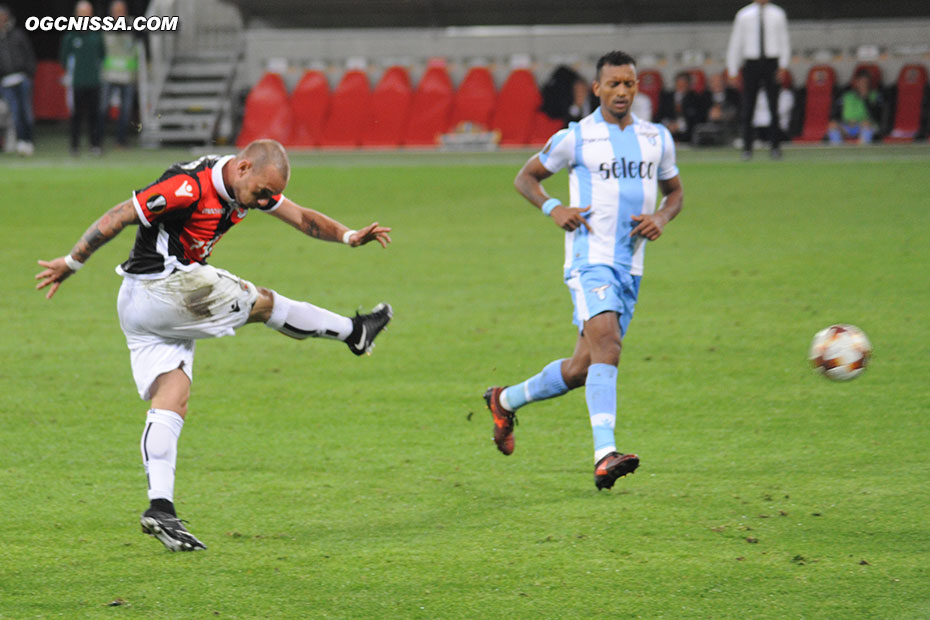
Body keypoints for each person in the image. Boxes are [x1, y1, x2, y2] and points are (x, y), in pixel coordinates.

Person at [35, 139, 394, 551]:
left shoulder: (250, 187)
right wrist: (72, 261)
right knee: (266, 304)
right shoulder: (188, 186)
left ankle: (160, 508)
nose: (265, 201)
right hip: (166, 288)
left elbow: (301, 218)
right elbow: (119, 215)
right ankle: (354, 332)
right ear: (243, 168)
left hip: (140, 305)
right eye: (262, 192)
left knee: (173, 396)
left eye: (270, 195)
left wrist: (348, 236)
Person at [483, 51, 684, 491]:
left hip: (631, 266)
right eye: (613, 84)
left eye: (629, 84)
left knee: (581, 368)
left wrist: (663, 219)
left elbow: (675, 193)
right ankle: (604, 455)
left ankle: (504, 399)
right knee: (608, 345)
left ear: (636, 88)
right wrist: (554, 208)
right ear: (597, 89)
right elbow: (526, 178)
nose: (621, 92)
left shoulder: (657, 138)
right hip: (589, 261)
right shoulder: (576, 138)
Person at [726, 0, 791, 160]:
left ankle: (775, 146)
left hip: (771, 62)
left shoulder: (778, 14)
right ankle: (747, 148)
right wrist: (733, 68)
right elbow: (736, 42)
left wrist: (783, 66)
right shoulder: (743, 15)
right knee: (748, 107)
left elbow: (784, 40)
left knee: (773, 107)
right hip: (751, 63)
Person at [60, 0, 105, 155]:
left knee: (95, 115)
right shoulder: (71, 36)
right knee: (76, 116)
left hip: (94, 81)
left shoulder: (96, 35)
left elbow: (102, 55)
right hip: (77, 82)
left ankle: (95, 145)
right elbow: (64, 58)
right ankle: (74, 146)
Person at [100, 0, 139, 148]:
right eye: (116, 10)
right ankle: (99, 140)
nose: (119, 13)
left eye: (121, 10)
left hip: (127, 75)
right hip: (109, 74)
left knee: (126, 111)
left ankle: (121, 141)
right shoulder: (105, 25)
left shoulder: (133, 25)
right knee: (103, 108)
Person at [0, 4, 36, 156]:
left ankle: (29, 141)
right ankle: (20, 141)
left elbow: (29, 54)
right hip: (6, 82)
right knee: (14, 114)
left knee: (26, 113)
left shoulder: (17, 34)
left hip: (22, 79)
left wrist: (29, 73)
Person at [827, 69, 883, 145]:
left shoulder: (874, 95)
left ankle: (861, 150)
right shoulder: (847, 95)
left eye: (865, 82)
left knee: (867, 126)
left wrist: (865, 99)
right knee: (832, 125)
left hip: (864, 125)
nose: (863, 85)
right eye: (861, 82)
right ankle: (838, 150)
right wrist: (845, 121)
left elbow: (876, 116)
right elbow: (835, 113)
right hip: (847, 125)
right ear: (856, 83)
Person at [692, 71, 741, 146]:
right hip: (709, 131)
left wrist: (723, 115)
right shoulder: (703, 97)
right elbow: (698, 115)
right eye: (714, 82)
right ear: (709, 84)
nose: (717, 84)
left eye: (719, 81)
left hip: (730, 130)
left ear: (724, 82)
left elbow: (739, 112)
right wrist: (710, 114)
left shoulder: (734, 94)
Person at [657, 71, 706, 143]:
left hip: (688, 137)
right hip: (667, 133)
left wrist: (679, 125)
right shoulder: (666, 97)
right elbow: (659, 115)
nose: (681, 85)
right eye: (679, 83)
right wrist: (668, 125)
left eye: (684, 83)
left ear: (689, 84)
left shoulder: (695, 98)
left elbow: (698, 118)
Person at [751, 70, 794, 147]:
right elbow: (754, 111)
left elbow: (780, 112)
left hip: (778, 129)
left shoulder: (786, 95)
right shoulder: (760, 94)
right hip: (758, 128)